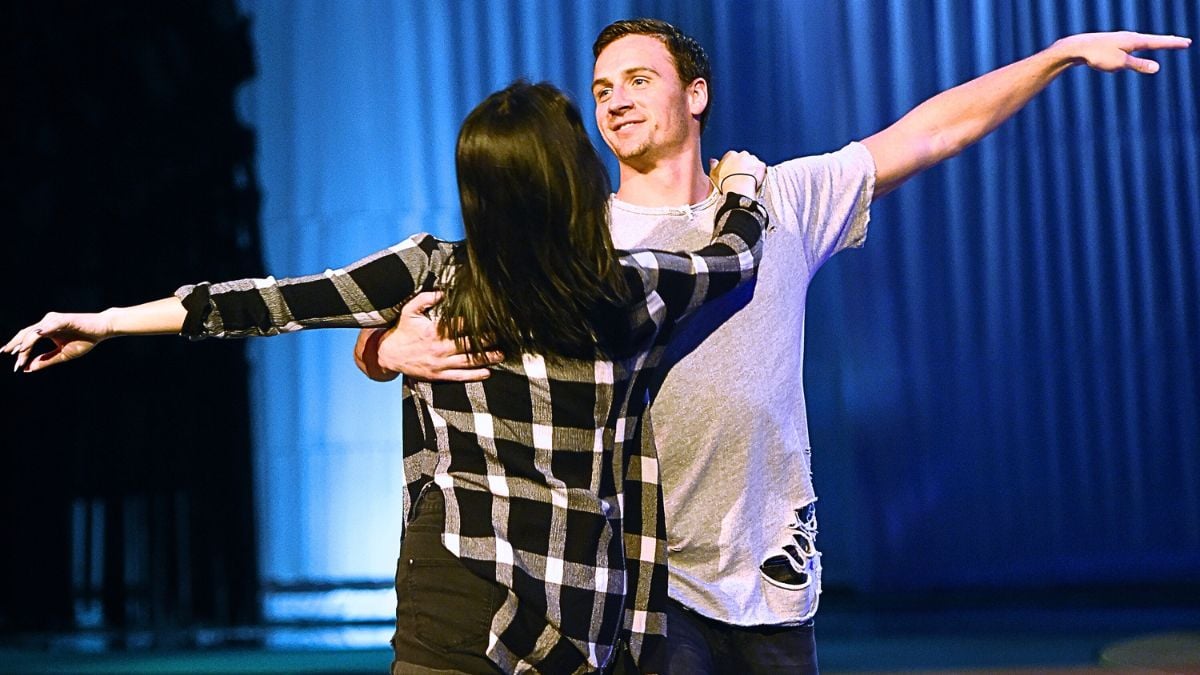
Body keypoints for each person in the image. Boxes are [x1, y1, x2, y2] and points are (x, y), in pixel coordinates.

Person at [354, 19, 1192, 674]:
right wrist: (385, 345)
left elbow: (931, 133)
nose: (614, 99)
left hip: (770, 576)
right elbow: (438, 310)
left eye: (639, 79)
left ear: (697, 93)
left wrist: (1055, 57)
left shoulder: (779, 203)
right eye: (603, 87)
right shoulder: (579, 235)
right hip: (645, 581)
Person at [4, 81, 769, 674]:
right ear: (572, 176)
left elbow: (271, 302)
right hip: (572, 616)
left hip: (466, 600)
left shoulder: (439, 272)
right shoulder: (631, 287)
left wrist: (104, 320)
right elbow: (731, 258)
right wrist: (740, 189)